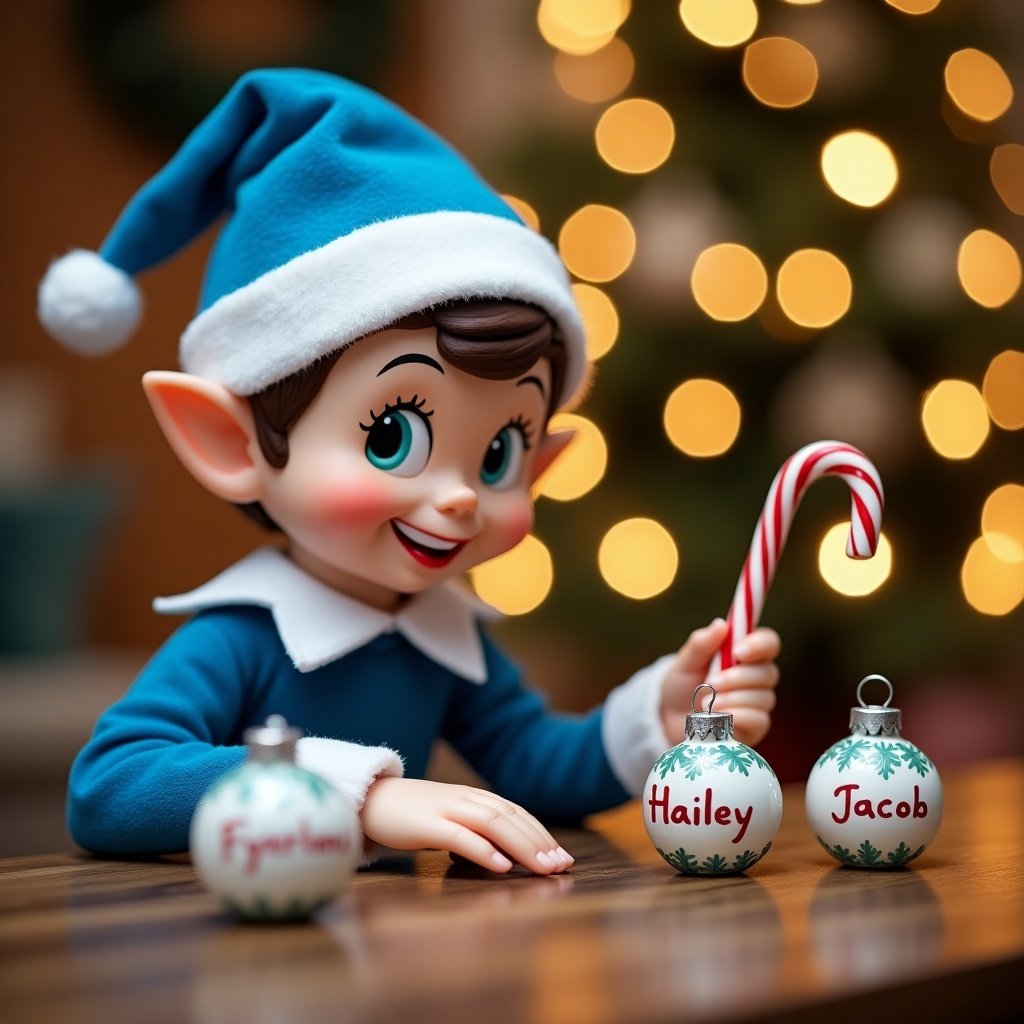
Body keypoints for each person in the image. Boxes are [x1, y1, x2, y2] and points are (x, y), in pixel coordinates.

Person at [39, 69, 779, 875]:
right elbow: (110, 786)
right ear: (230, 440)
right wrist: (360, 794)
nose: (460, 495)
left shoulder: (438, 631)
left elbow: (533, 765)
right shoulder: (244, 638)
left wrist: (657, 720)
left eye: (499, 454)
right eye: (393, 434)